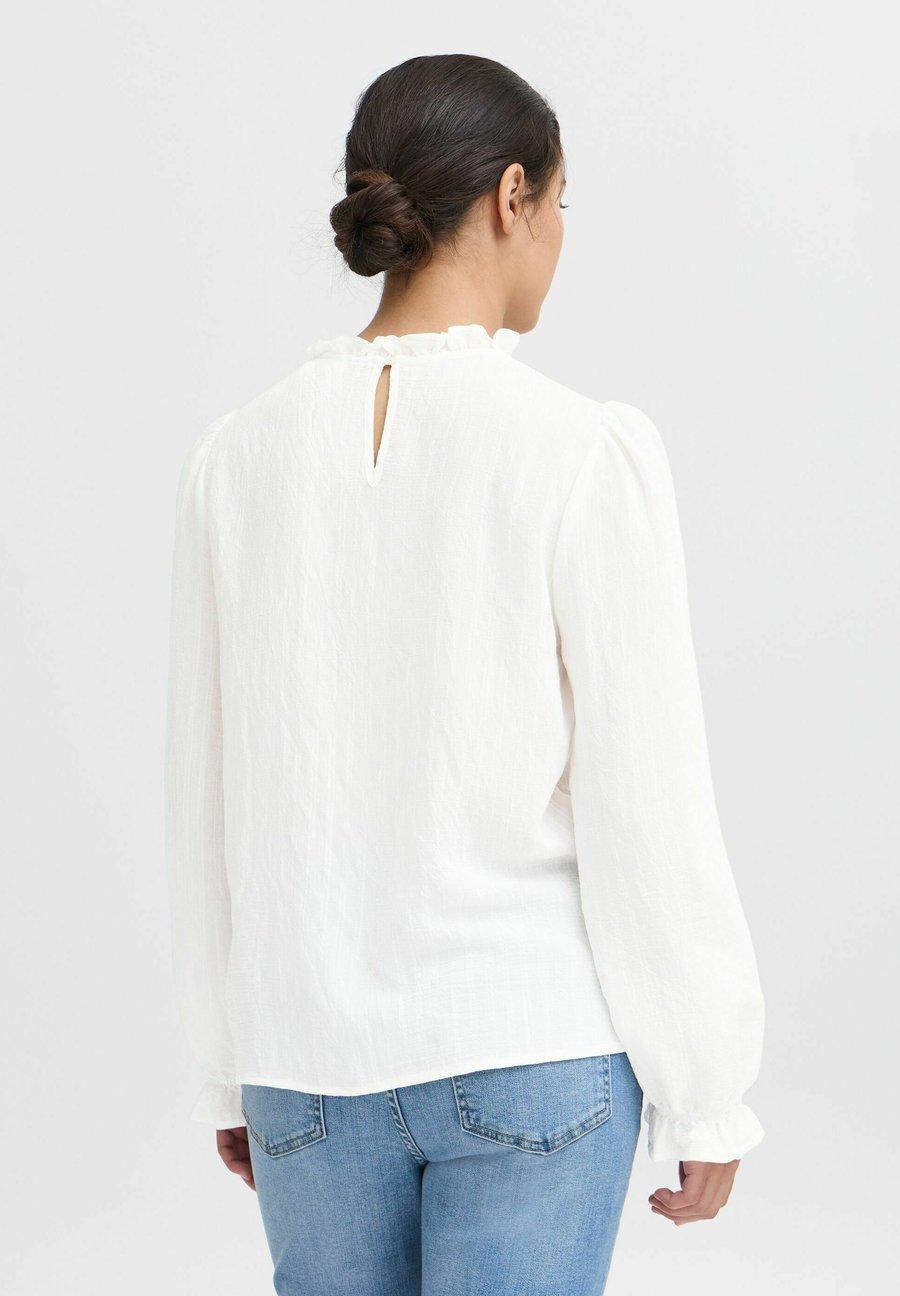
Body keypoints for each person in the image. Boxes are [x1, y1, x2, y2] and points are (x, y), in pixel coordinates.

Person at [165, 52, 765, 1296]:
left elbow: (204, 794)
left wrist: (230, 1064)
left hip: (306, 1066)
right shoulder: (577, 451)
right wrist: (708, 1087)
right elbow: (647, 798)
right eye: (561, 201)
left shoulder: (237, 459)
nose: (560, 233)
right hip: (528, 1045)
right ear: (511, 197)